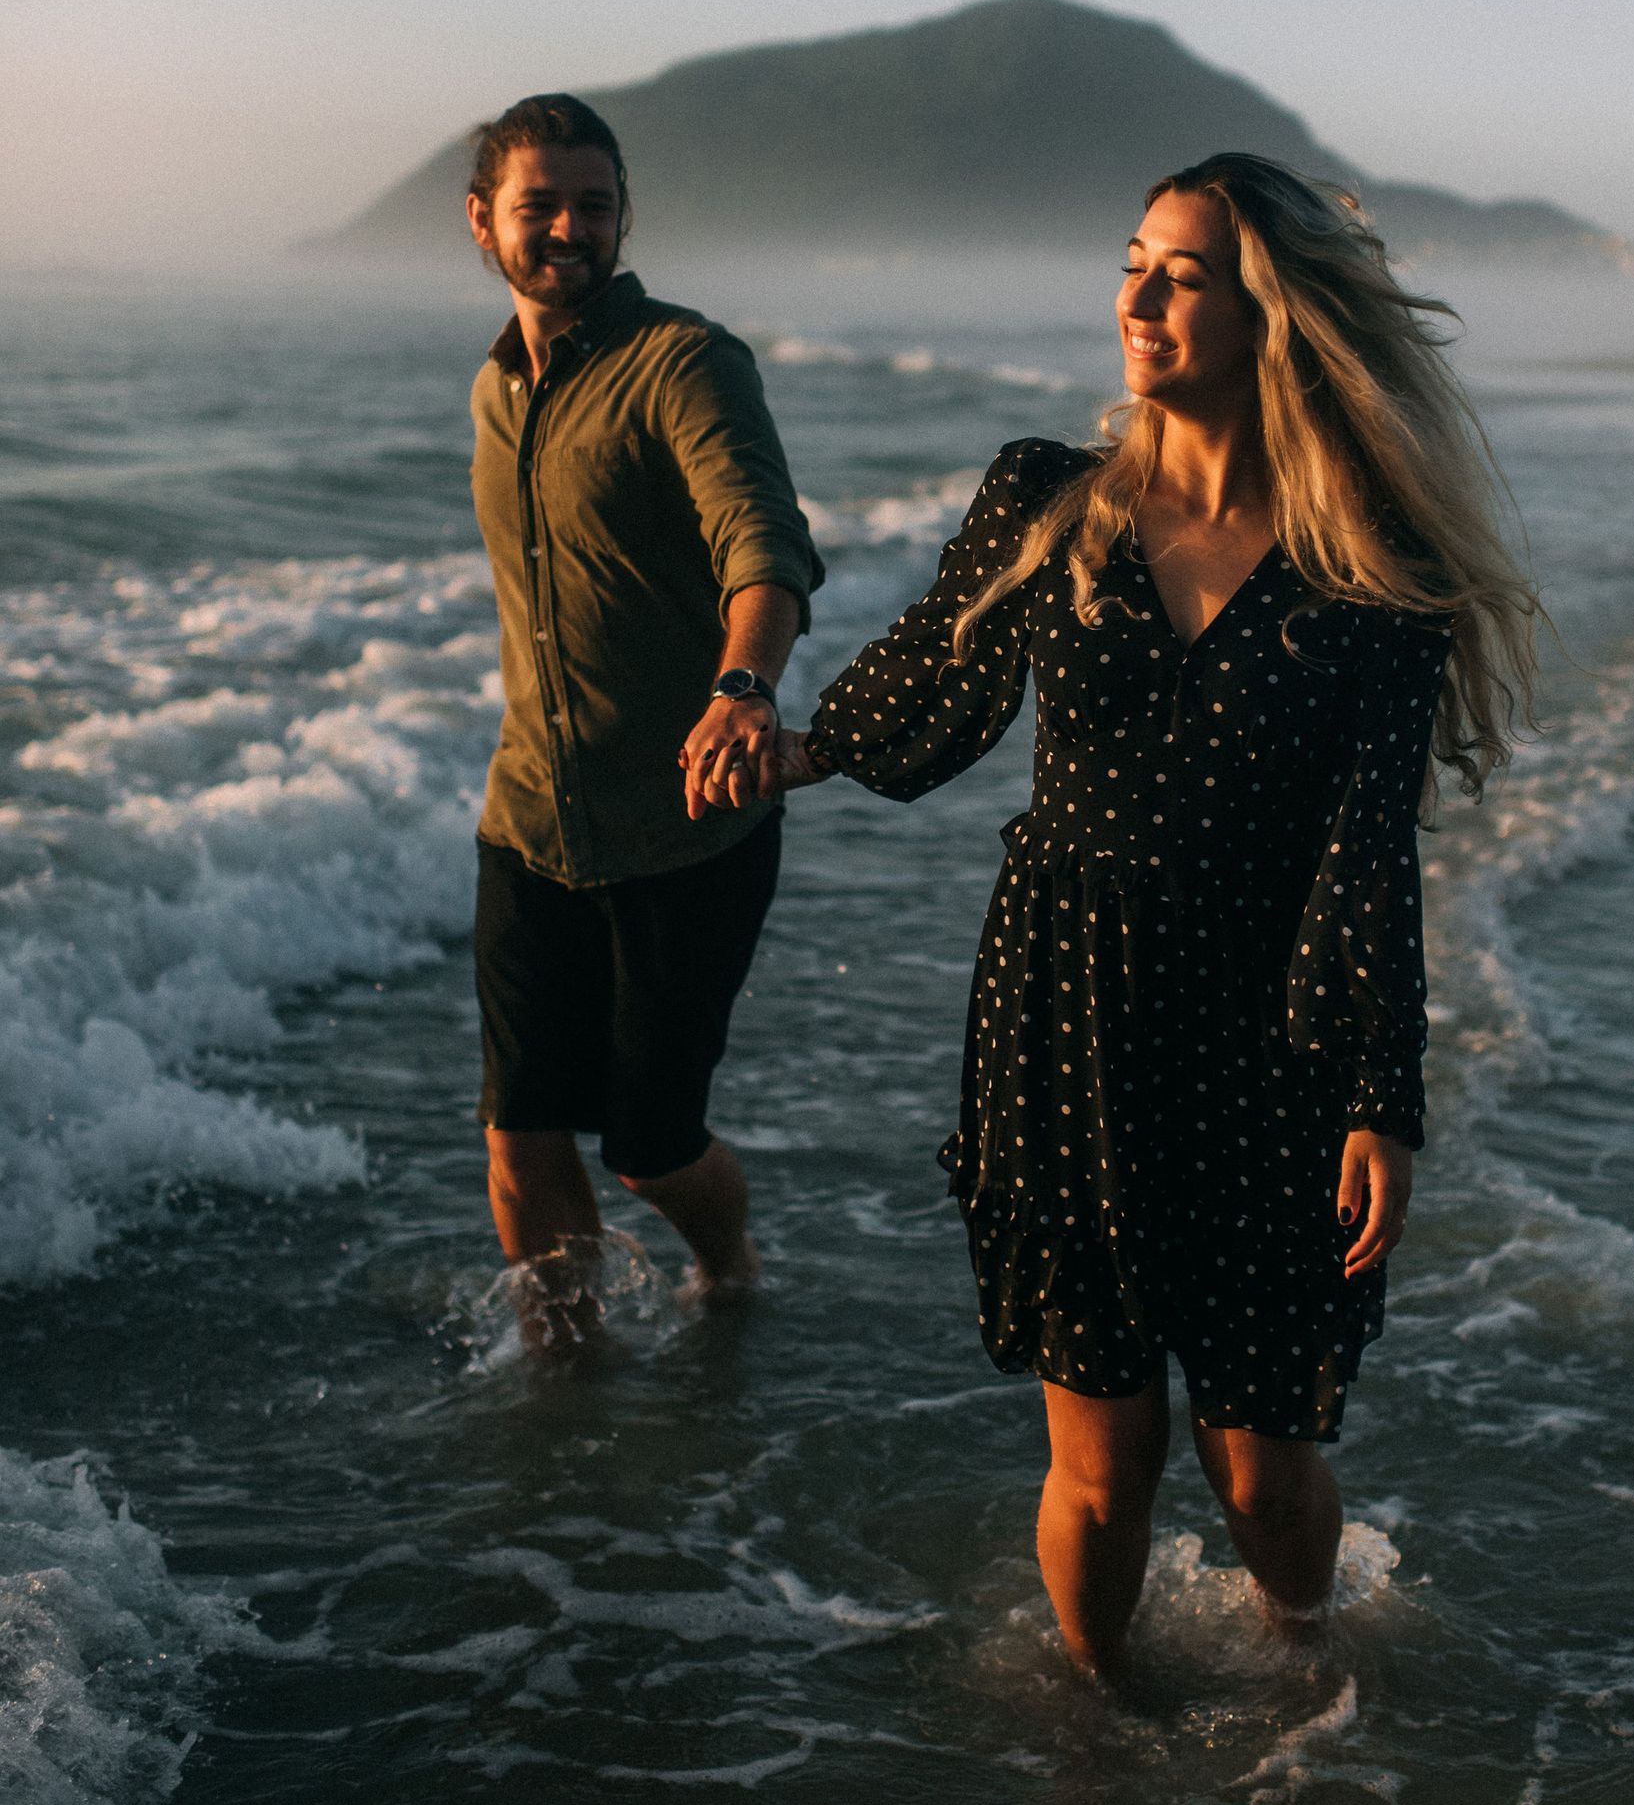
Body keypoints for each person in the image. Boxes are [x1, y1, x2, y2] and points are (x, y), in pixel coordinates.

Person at [712, 154, 1535, 1677]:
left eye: (1183, 273)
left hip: (1267, 1035)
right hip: (1064, 1006)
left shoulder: (1370, 565)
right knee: (1106, 1461)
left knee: (1266, 1481)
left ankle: (1308, 1690)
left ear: (1266, 312)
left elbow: (1367, 850)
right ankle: (1099, 1740)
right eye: (1132, 263)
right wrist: (794, 744)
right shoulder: (1050, 496)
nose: (1138, 299)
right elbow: (941, 674)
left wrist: (1382, 1100)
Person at [466, 93, 823, 1336]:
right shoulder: (495, 390)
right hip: (529, 822)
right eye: (539, 205)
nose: (569, 227)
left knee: (650, 1149)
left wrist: (742, 685)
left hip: (687, 830)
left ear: (623, 217)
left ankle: (729, 1271)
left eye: (594, 205)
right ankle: (567, 1370)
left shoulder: (685, 362)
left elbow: (763, 542)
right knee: (518, 1128)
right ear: (482, 222)